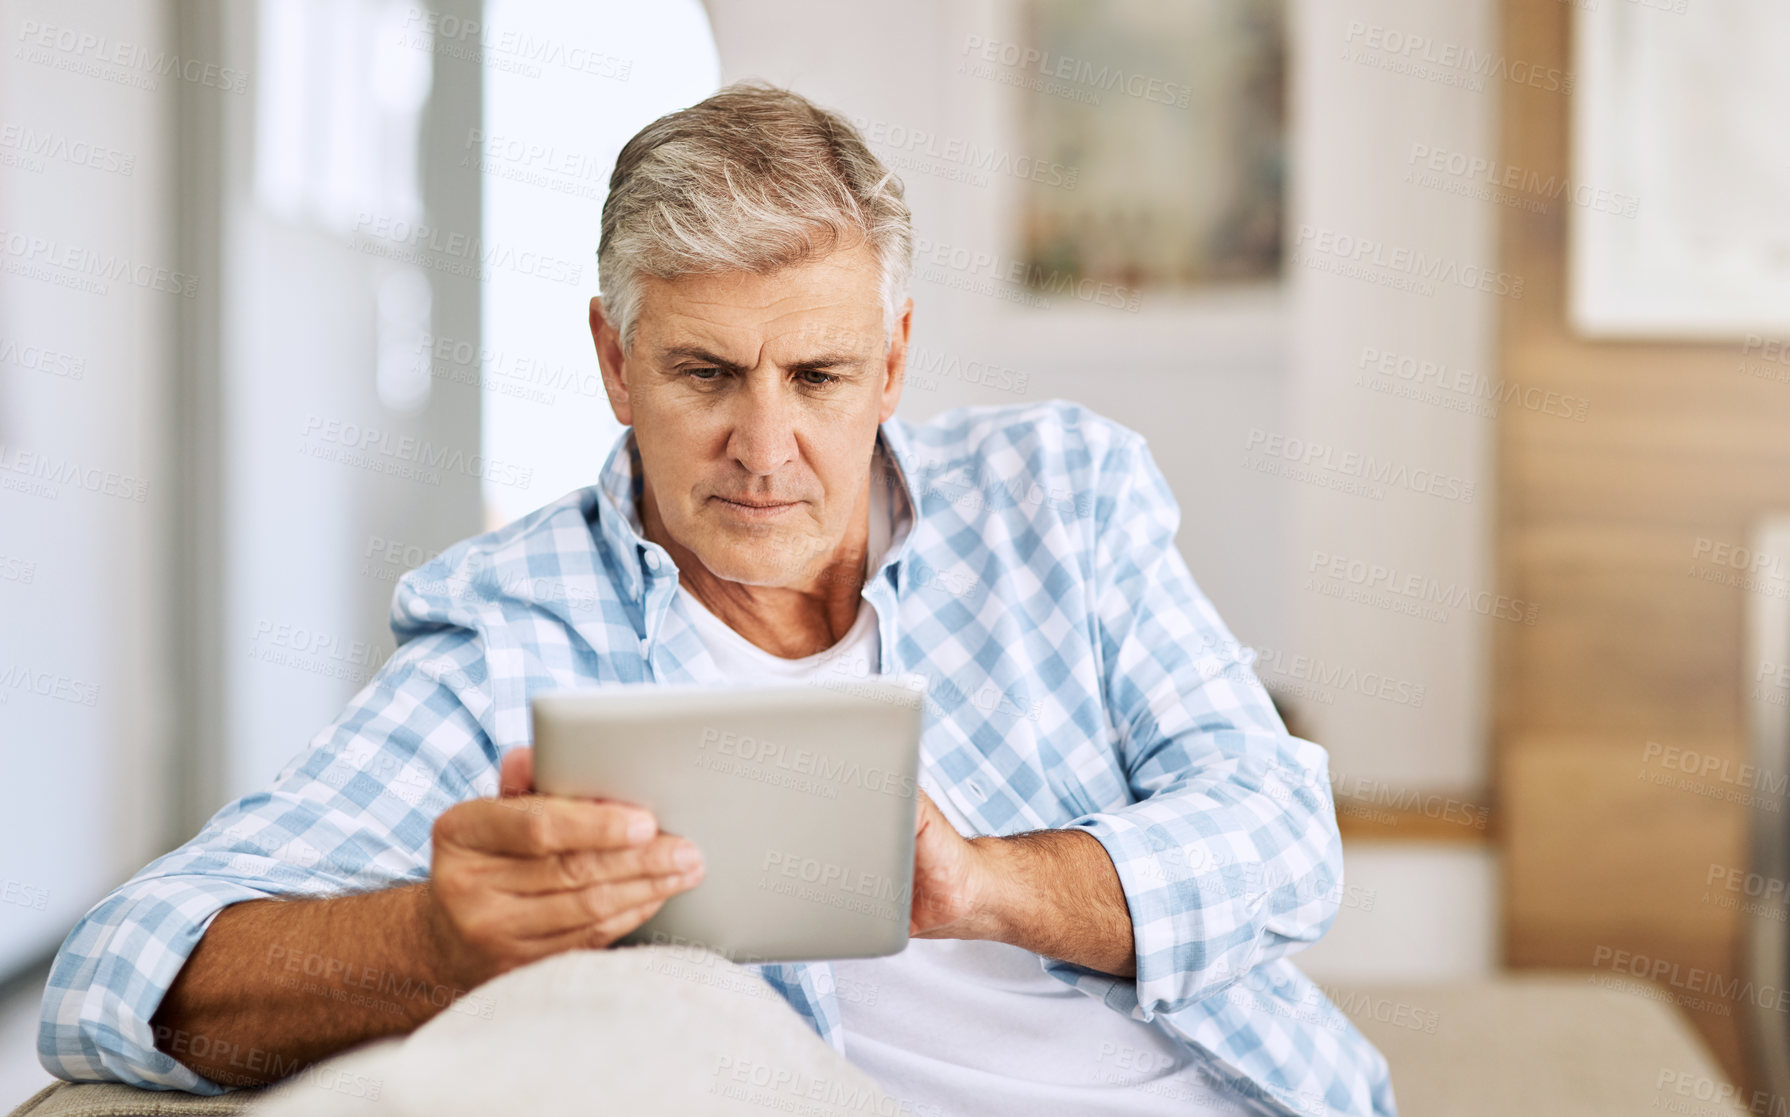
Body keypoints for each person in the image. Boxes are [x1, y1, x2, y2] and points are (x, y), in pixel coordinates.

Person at [38, 82, 1395, 1117]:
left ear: (893, 359)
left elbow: (1281, 839)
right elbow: (119, 966)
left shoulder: (1061, 495)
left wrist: (983, 883)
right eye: (702, 375)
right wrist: (434, 940)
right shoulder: (515, 631)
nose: (763, 448)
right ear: (613, 361)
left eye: (817, 377)